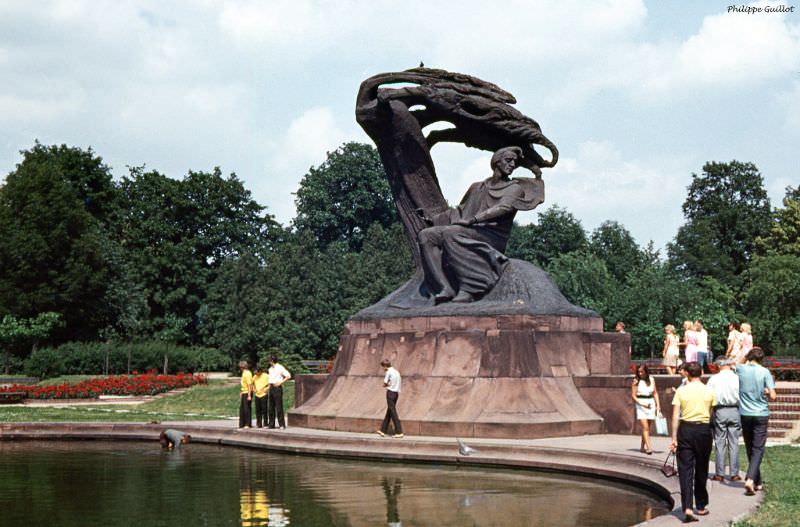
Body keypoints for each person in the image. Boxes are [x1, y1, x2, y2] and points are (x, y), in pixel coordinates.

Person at [416, 146, 541, 304]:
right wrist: (433, 219)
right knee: (426, 235)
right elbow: (459, 211)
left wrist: (474, 219)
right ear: (497, 162)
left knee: (452, 233)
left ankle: (470, 288)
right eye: (508, 160)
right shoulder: (477, 187)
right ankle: (444, 288)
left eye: (514, 163)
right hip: (469, 229)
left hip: (492, 234)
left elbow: (504, 208)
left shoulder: (514, 189)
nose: (512, 165)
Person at [670, 362, 715, 523]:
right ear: (701, 373)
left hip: (685, 429)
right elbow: (710, 413)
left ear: (687, 374)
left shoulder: (681, 391)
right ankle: (701, 505)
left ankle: (688, 507)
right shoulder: (709, 390)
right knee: (702, 468)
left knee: (685, 470)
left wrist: (674, 438)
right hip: (703, 430)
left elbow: (675, 416)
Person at [736, 347, 777, 496]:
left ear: (749, 357)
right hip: (761, 413)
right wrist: (766, 391)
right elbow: (773, 396)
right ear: (762, 359)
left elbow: (736, 363)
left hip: (745, 413)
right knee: (758, 448)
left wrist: (745, 356)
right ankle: (751, 478)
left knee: (750, 446)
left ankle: (757, 482)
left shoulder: (741, 369)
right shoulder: (765, 372)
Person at [707, 358, 741, 481]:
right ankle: (734, 473)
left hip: (719, 410)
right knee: (734, 442)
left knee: (720, 442)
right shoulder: (738, 378)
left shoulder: (713, 379)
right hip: (735, 410)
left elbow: (708, 397)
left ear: (719, 366)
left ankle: (719, 473)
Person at [631, 364, 660, 454]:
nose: (640, 373)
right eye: (638, 372)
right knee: (645, 427)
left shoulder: (651, 379)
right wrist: (642, 404)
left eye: (642, 372)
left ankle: (642, 446)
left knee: (647, 427)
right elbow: (633, 395)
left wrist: (658, 405)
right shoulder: (636, 381)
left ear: (646, 372)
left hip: (650, 403)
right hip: (641, 404)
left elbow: (655, 393)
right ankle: (649, 447)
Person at [377, 359, 403, 438]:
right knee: (390, 410)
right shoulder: (397, 372)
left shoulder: (388, 372)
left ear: (385, 366)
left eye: (383, 367)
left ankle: (399, 431)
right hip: (396, 393)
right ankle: (383, 430)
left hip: (390, 393)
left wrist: (386, 385)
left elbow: (385, 383)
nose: (383, 369)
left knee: (393, 412)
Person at [267, 355, 292, 429]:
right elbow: (270, 379)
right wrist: (268, 387)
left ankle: (281, 424)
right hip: (271, 387)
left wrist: (280, 382)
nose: (268, 362)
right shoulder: (270, 369)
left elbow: (288, 376)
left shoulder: (280, 367)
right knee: (271, 407)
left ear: (272, 361)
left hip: (277, 388)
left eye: (269, 360)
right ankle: (271, 424)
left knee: (278, 407)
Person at [252, 362, 271, 428]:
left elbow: (270, 384)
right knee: (258, 410)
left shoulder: (266, 376)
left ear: (260, 371)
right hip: (257, 395)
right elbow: (252, 384)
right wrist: (254, 389)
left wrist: (267, 389)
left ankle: (265, 423)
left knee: (264, 409)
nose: (255, 374)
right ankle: (259, 423)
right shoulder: (255, 376)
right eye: (255, 373)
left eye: (256, 372)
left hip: (263, 394)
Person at [238, 360, 253, 429]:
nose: (240, 369)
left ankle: (247, 423)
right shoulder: (244, 373)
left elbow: (250, 385)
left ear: (242, 367)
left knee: (246, 409)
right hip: (244, 392)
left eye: (240, 367)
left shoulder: (247, 373)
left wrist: (249, 395)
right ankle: (242, 423)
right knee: (242, 409)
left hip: (247, 392)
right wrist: (241, 392)